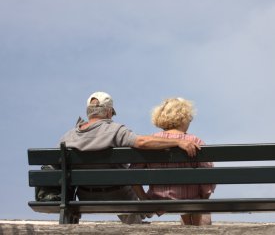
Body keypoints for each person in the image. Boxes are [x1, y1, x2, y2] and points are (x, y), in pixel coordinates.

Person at [59, 92, 200, 224]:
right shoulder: (114, 130)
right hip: (117, 194)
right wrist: (177, 142)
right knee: (130, 190)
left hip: (85, 196)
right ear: (108, 111)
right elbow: (141, 142)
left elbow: (57, 166)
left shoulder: (68, 136)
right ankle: (143, 217)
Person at [131, 97, 215, 226]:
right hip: (191, 199)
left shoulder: (151, 141)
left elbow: (133, 174)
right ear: (183, 118)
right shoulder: (195, 142)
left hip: (158, 199)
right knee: (194, 195)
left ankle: (189, 222)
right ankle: (195, 226)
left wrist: (144, 199)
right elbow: (208, 176)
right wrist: (203, 198)